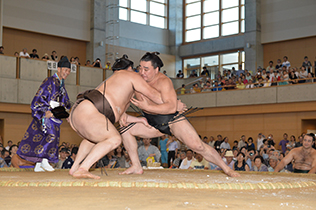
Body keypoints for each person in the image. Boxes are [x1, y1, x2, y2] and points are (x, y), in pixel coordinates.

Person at [120, 52, 239, 177]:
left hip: (171, 120)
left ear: (156, 70)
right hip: (151, 122)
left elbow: (171, 107)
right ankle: (136, 165)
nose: (142, 72)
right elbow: (126, 97)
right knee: (124, 128)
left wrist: (148, 107)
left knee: (198, 146)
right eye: (140, 68)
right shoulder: (137, 80)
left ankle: (226, 168)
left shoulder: (164, 82)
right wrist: (123, 111)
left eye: (146, 69)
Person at [68, 55, 164, 179]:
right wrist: (173, 103)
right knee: (115, 139)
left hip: (80, 112)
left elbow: (121, 118)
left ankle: (75, 167)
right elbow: (154, 96)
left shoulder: (115, 86)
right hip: (90, 110)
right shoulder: (131, 76)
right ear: (130, 69)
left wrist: (139, 120)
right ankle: (83, 168)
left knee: (94, 138)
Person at [13, 57, 72, 172]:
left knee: (53, 139)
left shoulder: (61, 85)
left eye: (69, 71)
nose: (67, 73)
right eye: (65, 70)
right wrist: (45, 112)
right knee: (51, 136)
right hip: (47, 115)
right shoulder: (49, 81)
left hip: (56, 115)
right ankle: (44, 160)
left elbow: (66, 101)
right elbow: (39, 97)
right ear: (58, 69)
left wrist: (68, 112)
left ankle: (38, 165)